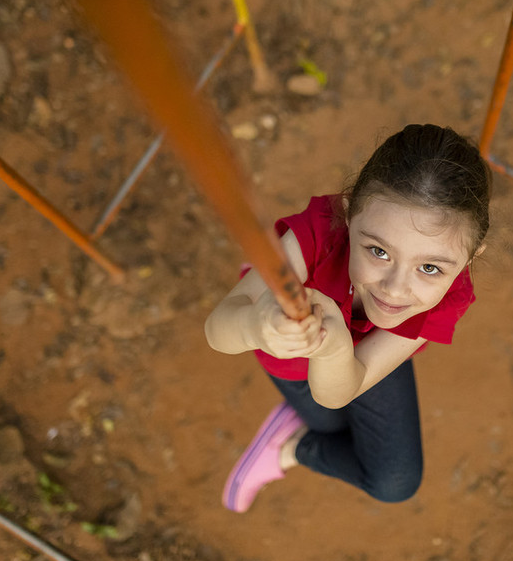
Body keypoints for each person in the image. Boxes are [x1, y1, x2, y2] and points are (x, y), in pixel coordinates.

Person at [204, 123, 492, 512]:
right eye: (378, 251)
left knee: (395, 484)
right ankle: (275, 274)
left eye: (429, 268)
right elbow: (218, 329)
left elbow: (338, 388)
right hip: (294, 366)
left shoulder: (449, 293)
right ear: (349, 210)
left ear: (468, 260)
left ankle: (292, 446)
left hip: (364, 356)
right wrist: (256, 324)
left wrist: (334, 348)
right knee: (331, 424)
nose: (394, 288)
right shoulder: (323, 229)